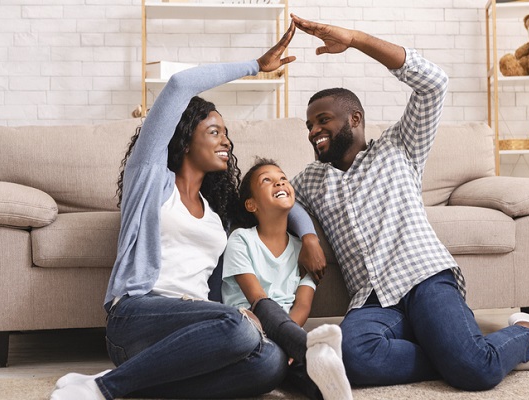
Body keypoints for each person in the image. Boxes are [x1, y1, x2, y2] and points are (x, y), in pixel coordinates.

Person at [289, 14, 529, 391]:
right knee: (352, 358)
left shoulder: (399, 147)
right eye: (309, 125)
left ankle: (526, 331)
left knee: (475, 373)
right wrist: (308, 235)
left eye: (322, 120)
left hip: (424, 279)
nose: (313, 132)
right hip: (372, 301)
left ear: (355, 119)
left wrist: (355, 38)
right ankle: (472, 350)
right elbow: (282, 200)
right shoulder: (311, 178)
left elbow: (434, 83)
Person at [50, 22, 324, 400]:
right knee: (242, 326)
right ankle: (104, 389)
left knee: (271, 364)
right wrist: (256, 64)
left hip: (201, 332)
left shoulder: (218, 213)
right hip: (138, 317)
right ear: (184, 136)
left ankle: (135, 383)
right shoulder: (150, 180)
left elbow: (278, 202)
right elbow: (180, 84)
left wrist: (308, 235)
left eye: (226, 132)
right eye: (214, 131)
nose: (225, 139)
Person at [221, 158, 352, 400]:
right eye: (267, 180)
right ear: (251, 204)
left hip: (285, 333)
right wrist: (292, 340)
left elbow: (303, 305)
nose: (279, 182)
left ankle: (332, 392)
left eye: (282, 178)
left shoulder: (304, 252)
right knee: (267, 310)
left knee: (304, 373)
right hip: (248, 324)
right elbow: (256, 297)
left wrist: (287, 339)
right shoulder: (240, 240)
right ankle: (309, 347)